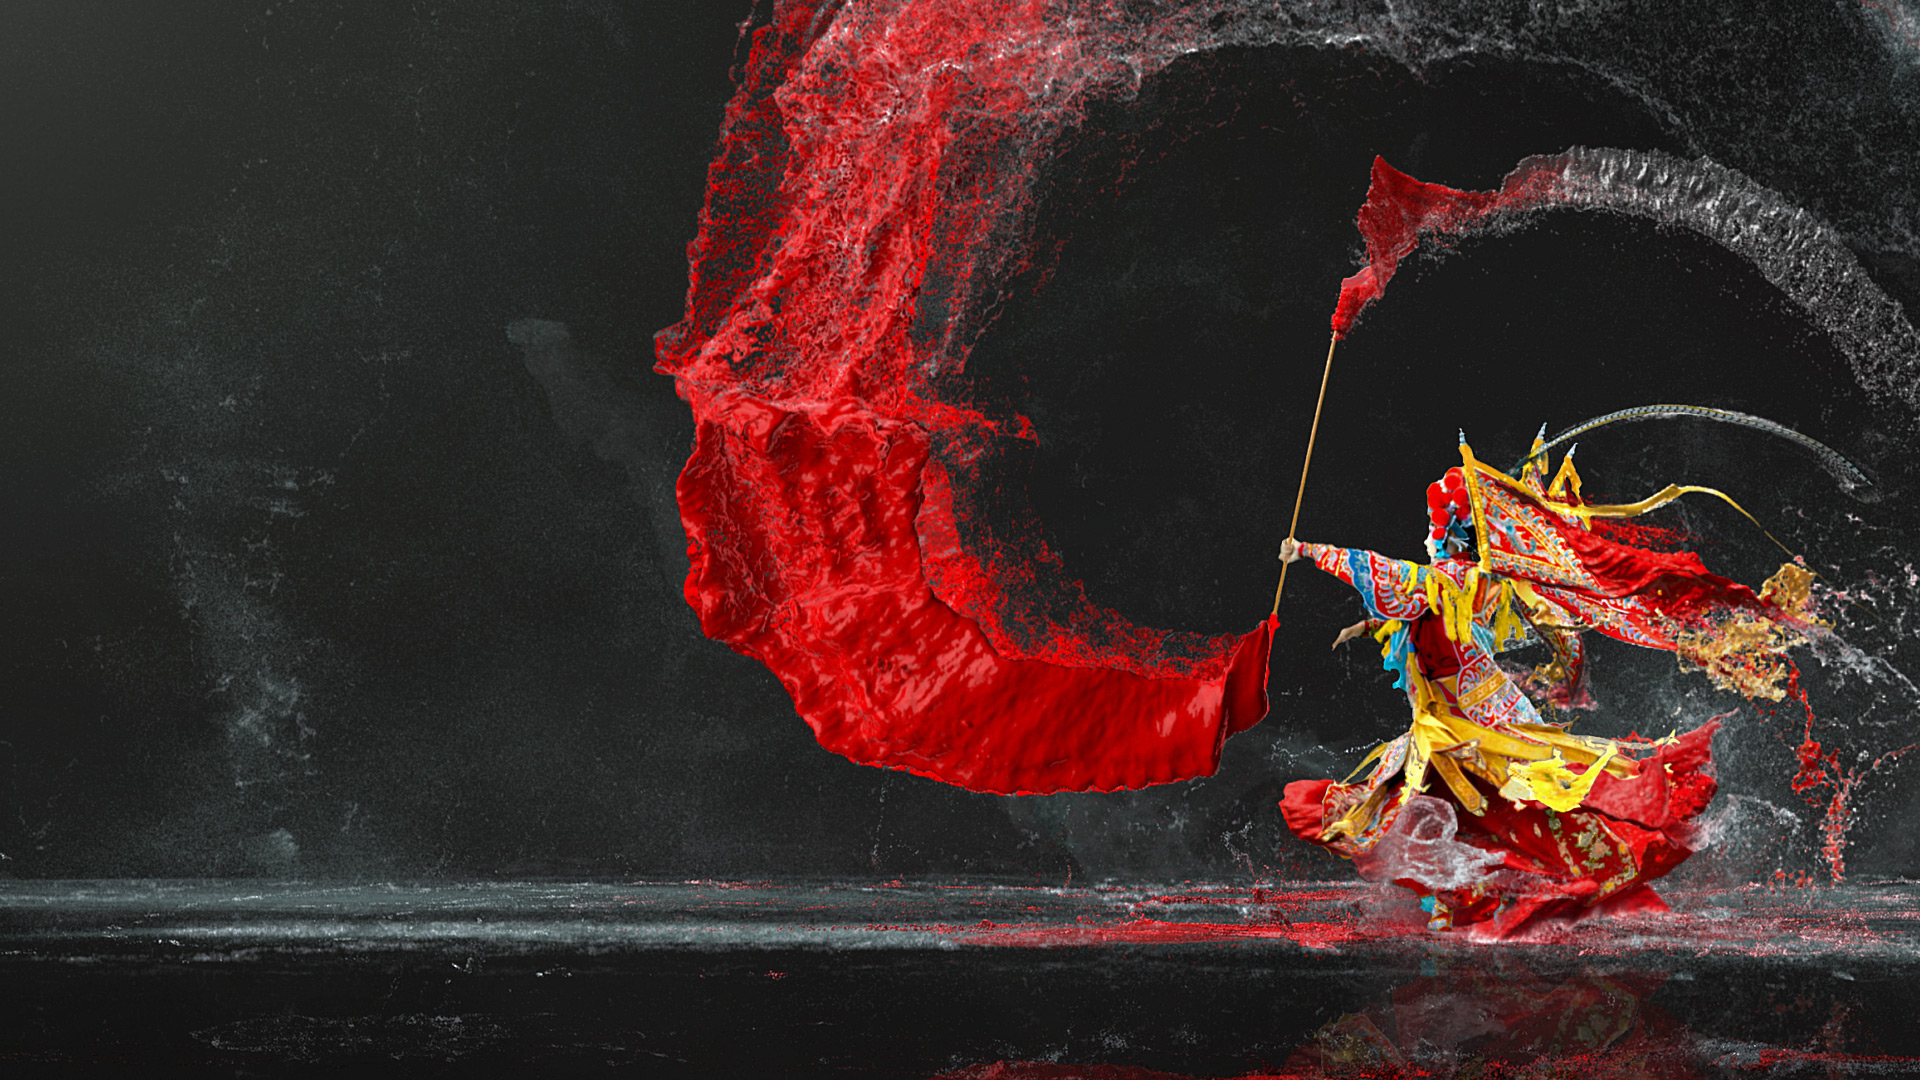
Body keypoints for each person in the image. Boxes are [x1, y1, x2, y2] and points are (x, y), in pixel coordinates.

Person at [1276, 437, 1813, 936]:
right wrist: (1368, 625)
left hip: (1474, 726)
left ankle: (1520, 891)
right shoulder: (1474, 582)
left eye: (1433, 528)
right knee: (1478, 807)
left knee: (1486, 806)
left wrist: (1307, 550)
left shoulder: (1442, 581)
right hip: (1470, 717)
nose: (1427, 536)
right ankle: (1486, 895)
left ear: (1447, 533)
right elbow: (1427, 616)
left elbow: (1384, 574)